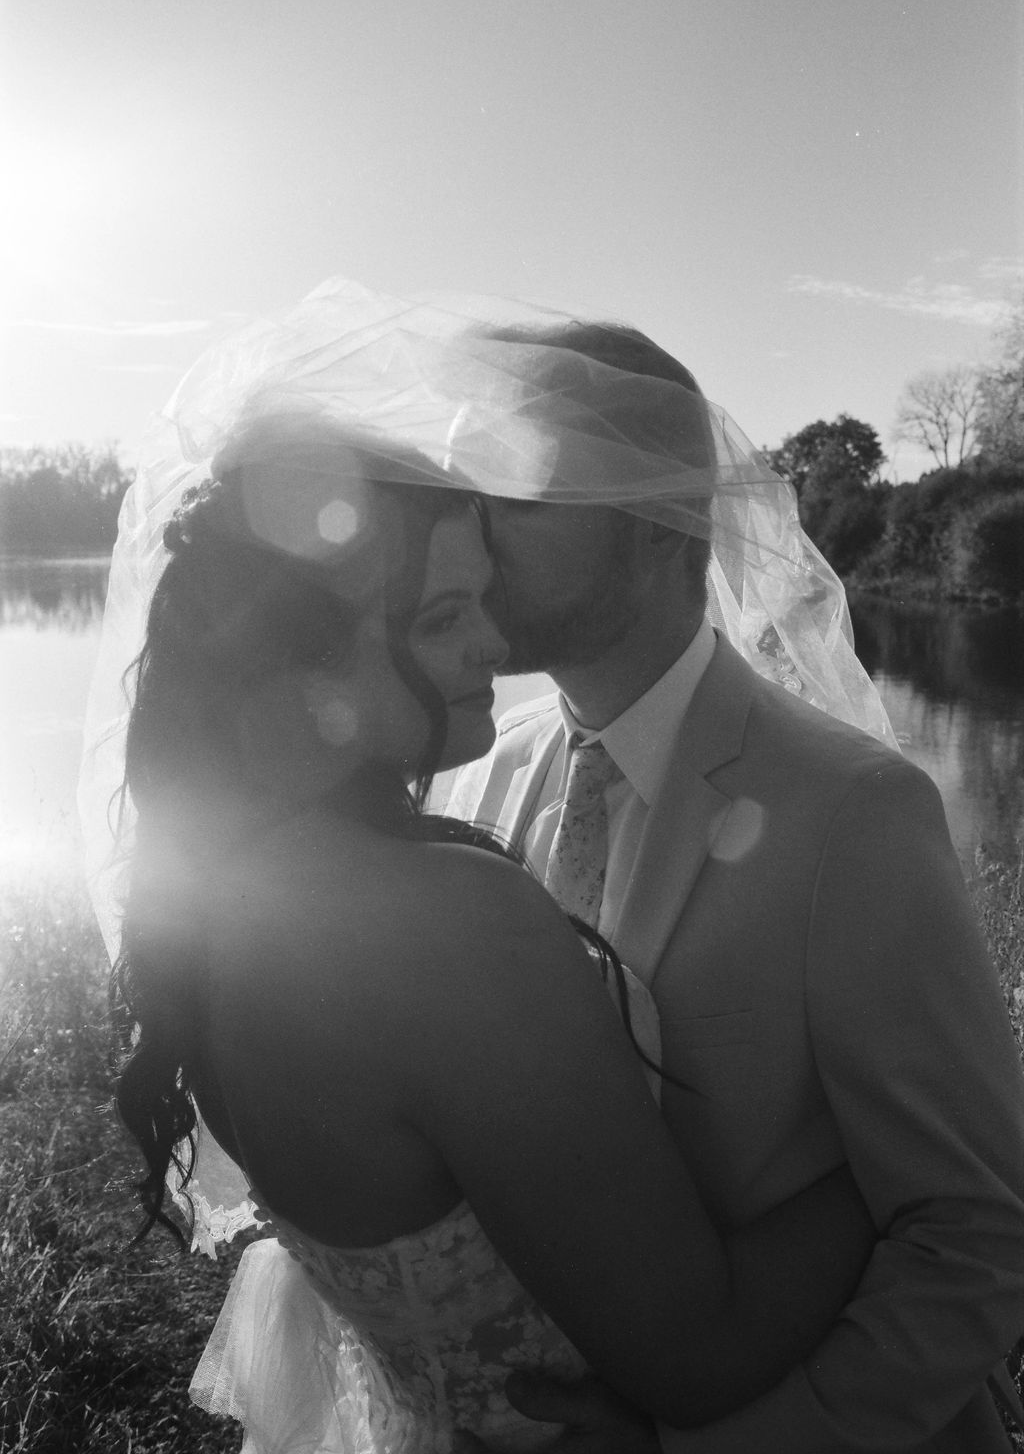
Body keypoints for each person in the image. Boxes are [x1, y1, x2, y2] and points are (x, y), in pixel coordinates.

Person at [94, 405, 877, 1454]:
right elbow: (702, 1351)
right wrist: (878, 1169)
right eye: (442, 615)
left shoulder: (223, 894)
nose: (496, 643)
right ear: (304, 656)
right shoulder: (440, 925)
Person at [442, 316, 1024, 1452]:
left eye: (513, 492)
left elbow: (977, 1229)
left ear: (662, 524)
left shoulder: (852, 815)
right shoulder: (486, 778)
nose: (465, 539)